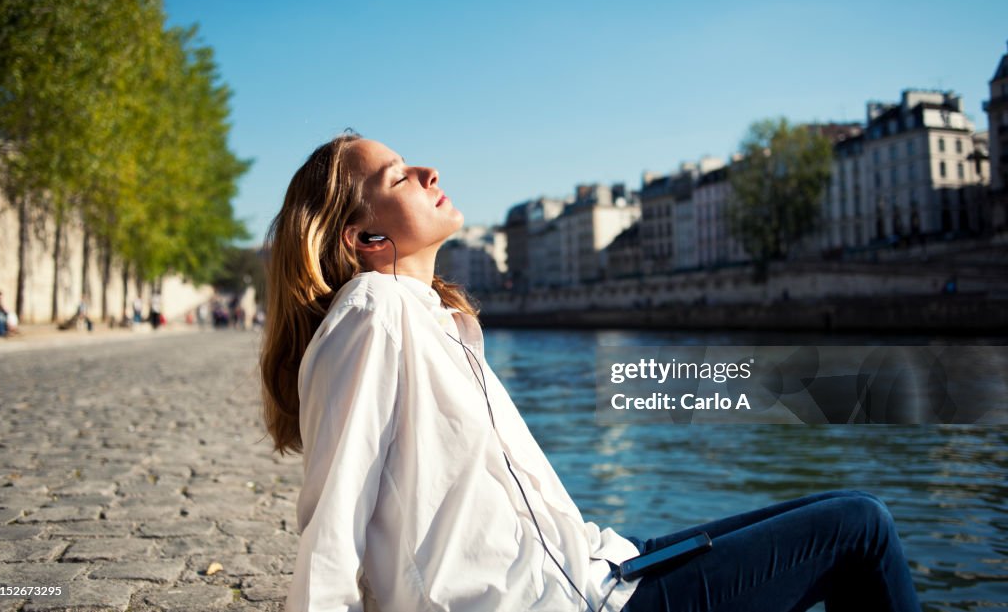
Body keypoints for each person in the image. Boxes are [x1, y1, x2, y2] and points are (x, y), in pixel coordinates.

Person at [260, 132, 922, 612]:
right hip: (568, 601)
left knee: (839, 510)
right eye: (400, 175)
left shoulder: (431, 318)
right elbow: (333, 524)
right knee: (859, 526)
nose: (430, 169)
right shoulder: (375, 309)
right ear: (363, 238)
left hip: (598, 566)